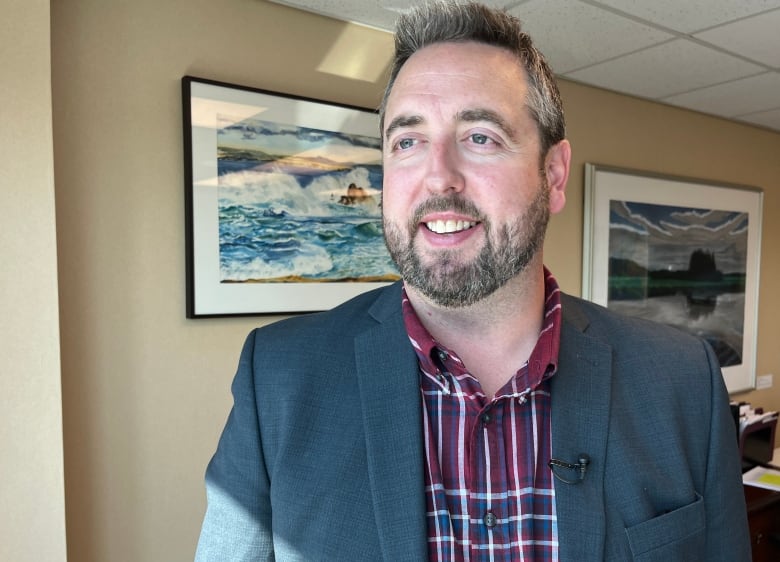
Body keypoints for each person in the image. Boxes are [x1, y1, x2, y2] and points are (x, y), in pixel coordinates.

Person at [195, 1, 751, 560]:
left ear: (553, 176)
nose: (438, 175)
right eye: (407, 142)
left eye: (480, 136)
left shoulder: (681, 380)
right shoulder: (280, 378)